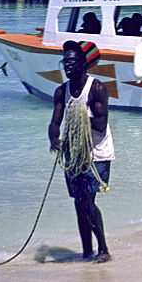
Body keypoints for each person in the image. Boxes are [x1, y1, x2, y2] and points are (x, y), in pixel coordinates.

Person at [48, 40, 113, 263]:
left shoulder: (97, 89)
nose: (67, 66)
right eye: (64, 62)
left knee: (87, 200)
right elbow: (55, 122)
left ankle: (103, 250)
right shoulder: (61, 91)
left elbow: (101, 124)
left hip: (97, 154)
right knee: (78, 202)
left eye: (72, 62)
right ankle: (87, 250)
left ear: (83, 64)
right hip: (74, 154)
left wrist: (80, 117)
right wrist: (54, 138)